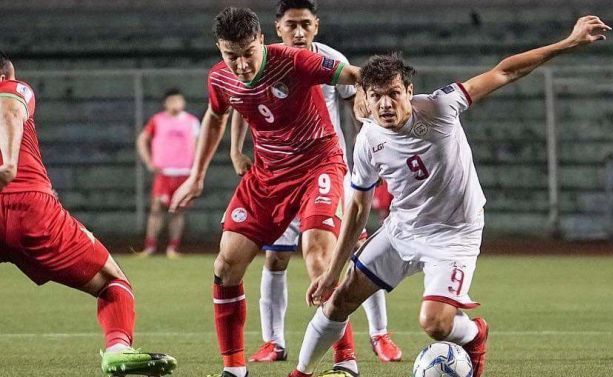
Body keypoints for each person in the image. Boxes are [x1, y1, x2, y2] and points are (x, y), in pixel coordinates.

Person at [288, 16, 611, 377]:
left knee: (436, 324)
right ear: (363, 97)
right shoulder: (368, 141)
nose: (384, 105)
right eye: (375, 96)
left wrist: (567, 43)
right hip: (403, 230)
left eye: (393, 93)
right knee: (339, 299)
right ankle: (300, 372)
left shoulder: (442, 108)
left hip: (453, 235)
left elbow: (504, 72)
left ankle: (474, 335)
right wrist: (332, 272)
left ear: (408, 91)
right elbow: (359, 206)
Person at [169, 7, 361, 377]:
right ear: (219, 49)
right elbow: (216, 116)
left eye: (247, 53)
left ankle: (345, 361)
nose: (240, 64)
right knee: (226, 265)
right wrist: (197, 175)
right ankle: (234, 369)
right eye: (231, 55)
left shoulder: (294, 60)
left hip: (318, 164)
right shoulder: (221, 78)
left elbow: (351, 75)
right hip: (268, 174)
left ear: (262, 41)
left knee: (319, 258)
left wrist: (386, 93)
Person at [228, 0, 402, 364]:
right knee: (275, 259)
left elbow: (356, 101)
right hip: (278, 176)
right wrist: (235, 150)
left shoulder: (327, 59)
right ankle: (273, 342)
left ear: (316, 26)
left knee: (353, 254)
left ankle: (379, 335)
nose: (298, 32)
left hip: (326, 172)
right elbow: (242, 104)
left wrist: (370, 153)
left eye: (305, 24)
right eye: (291, 25)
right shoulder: (260, 63)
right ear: (276, 28)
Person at [0, 52, 177, 376]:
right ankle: (117, 350)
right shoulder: (12, 89)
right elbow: (9, 108)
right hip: (30, 208)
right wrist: (9, 164)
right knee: (113, 281)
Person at [136, 88, 199, 258]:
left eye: (178, 101)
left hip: (184, 172)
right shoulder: (157, 120)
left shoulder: (192, 121)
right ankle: (150, 247)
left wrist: (198, 167)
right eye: (172, 101)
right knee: (157, 208)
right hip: (164, 173)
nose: (176, 104)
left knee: (178, 211)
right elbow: (142, 140)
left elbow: (199, 144)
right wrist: (149, 162)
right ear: (166, 103)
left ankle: (173, 248)